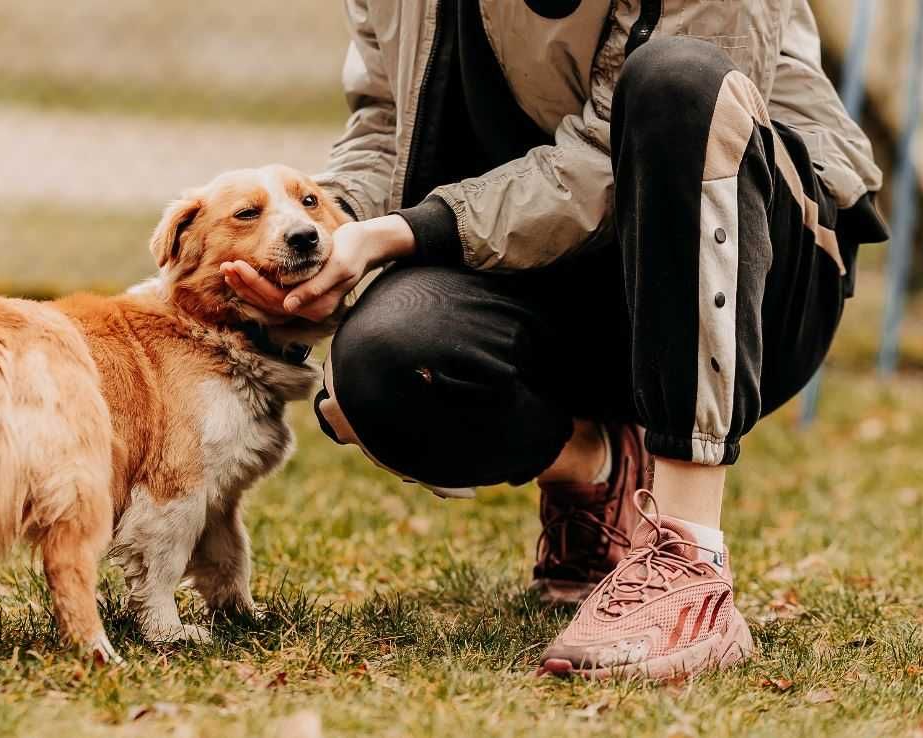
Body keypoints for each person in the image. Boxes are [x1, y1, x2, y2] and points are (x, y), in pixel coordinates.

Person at [220, 0, 888, 679]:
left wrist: (396, 235)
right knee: (380, 367)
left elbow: (612, 154)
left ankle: (688, 559)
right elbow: (384, 126)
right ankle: (598, 470)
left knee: (677, 81)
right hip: (528, 259)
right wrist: (327, 235)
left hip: (754, 264)